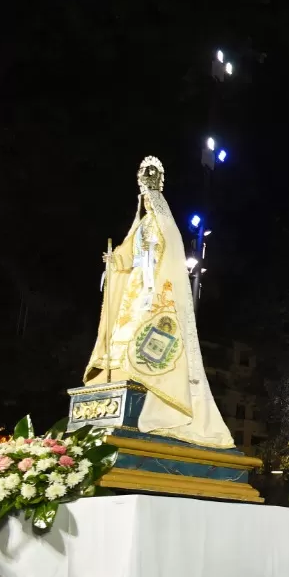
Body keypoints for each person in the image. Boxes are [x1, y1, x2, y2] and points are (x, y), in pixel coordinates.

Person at [86, 157, 233, 447]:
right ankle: (118, 378)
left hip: (152, 289)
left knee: (138, 338)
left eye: (150, 195)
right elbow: (128, 255)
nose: (146, 200)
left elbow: (170, 255)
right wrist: (113, 261)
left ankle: (146, 386)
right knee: (121, 335)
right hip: (135, 288)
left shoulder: (164, 224)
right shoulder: (139, 227)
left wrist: (152, 274)